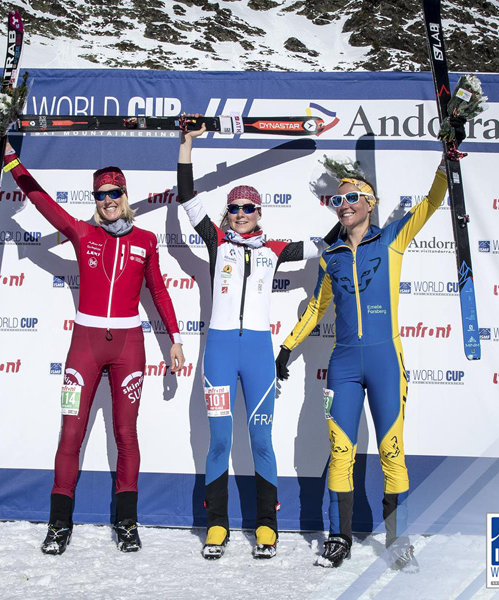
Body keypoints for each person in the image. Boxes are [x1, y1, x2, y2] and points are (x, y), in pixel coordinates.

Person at [0, 130, 185, 555]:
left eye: (114, 192)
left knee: (126, 434)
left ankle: (127, 522)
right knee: (70, 433)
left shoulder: (146, 241)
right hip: (85, 342)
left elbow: (160, 291)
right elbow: (42, 203)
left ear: (125, 194)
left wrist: (174, 338)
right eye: (100, 194)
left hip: (130, 343)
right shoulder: (81, 233)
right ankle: (59, 524)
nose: (107, 200)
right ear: (94, 199)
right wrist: (10, 160)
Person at [276, 153, 451, 570]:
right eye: (338, 200)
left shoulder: (392, 238)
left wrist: (446, 164)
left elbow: (430, 202)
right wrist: (286, 347)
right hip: (344, 365)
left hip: (386, 361)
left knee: (393, 450)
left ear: (370, 203)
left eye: (353, 197)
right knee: (341, 453)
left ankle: (397, 540)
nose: (346, 204)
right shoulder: (331, 254)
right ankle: (339, 539)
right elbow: (317, 308)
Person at [177, 118, 340, 560]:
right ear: (227, 213)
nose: (242, 214)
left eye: (249, 208)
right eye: (236, 208)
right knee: (220, 442)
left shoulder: (273, 249)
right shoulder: (216, 243)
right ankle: (217, 526)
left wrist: (342, 205)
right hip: (220, 352)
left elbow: (322, 245)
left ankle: (267, 524)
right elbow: (187, 199)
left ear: (260, 213)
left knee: (262, 442)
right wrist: (186, 147)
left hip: (257, 353)